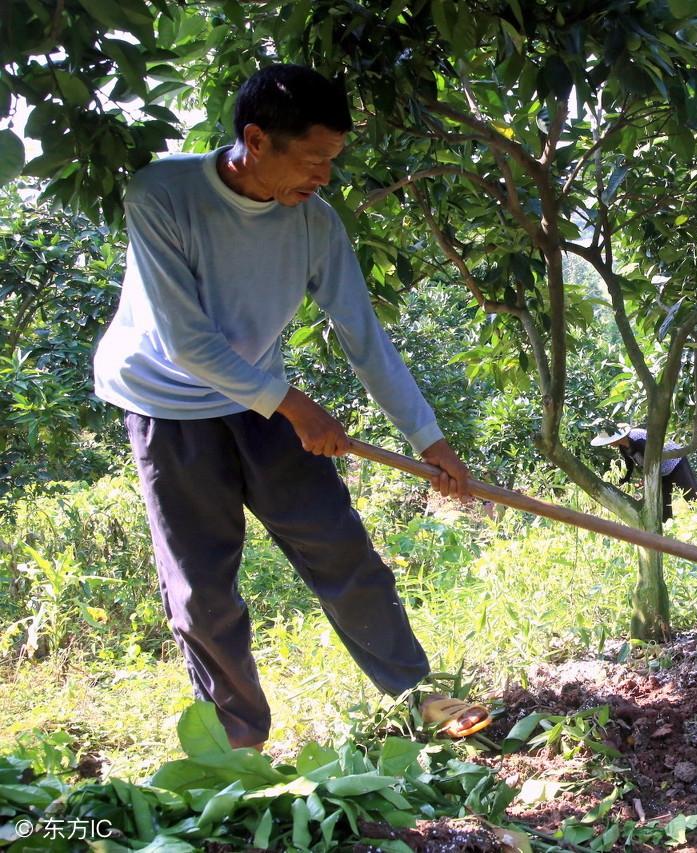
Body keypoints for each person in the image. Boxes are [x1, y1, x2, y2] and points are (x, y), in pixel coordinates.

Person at [92, 65, 488, 750]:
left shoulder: (314, 223)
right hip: (167, 406)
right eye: (312, 160)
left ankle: (417, 696)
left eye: (332, 161)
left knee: (341, 547)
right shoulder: (162, 194)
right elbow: (187, 342)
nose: (324, 178)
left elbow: (366, 338)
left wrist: (429, 439)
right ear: (255, 139)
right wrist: (298, 407)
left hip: (263, 403)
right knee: (203, 591)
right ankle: (237, 744)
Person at [591, 423, 697, 521]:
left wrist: (646, 479)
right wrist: (624, 480)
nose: (609, 443)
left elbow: (653, 461)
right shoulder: (623, 447)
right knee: (663, 504)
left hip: (675, 463)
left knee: (692, 497)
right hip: (661, 472)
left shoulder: (638, 439)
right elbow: (630, 465)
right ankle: (667, 531)